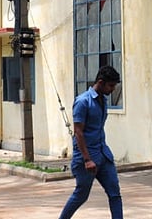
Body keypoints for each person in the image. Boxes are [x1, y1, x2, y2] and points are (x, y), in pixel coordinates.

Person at [59, 65, 123, 219]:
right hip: (86, 157)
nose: (113, 89)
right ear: (100, 82)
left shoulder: (103, 101)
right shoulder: (83, 102)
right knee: (81, 195)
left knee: (115, 194)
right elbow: (78, 132)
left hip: (103, 154)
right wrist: (87, 160)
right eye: (111, 86)